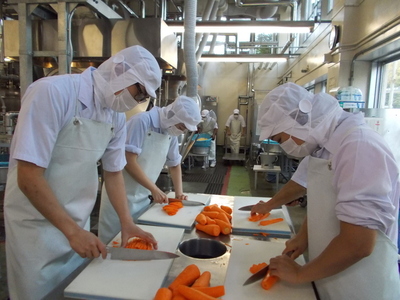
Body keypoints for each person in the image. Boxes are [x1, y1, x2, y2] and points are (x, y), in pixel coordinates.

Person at [4, 45, 161, 300]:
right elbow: (28, 176)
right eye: (139, 92)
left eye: (143, 98)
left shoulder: (116, 117)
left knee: (74, 292)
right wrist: (72, 232)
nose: (138, 101)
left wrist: (127, 224)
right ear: (122, 72)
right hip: (35, 229)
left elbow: (114, 173)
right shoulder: (53, 93)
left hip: (79, 224)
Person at [252, 82, 400, 299]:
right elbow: (324, 202)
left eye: (281, 139)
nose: (285, 146)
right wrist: (304, 236)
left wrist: (300, 274)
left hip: (362, 286)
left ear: (298, 120)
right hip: (329, 274)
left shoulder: (358, 147)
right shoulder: (322, 147)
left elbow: (358, 243)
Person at [98, 96, 201, 243]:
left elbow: (174, 163)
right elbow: (129, 161)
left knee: (137, 244)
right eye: (181, 126)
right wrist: (154, 189)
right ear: (173, 116)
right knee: (114, 245)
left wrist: (179, 193)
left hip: (142, 198)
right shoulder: (142, 121)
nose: (181, 131)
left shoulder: (169, 132)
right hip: (120, 197)